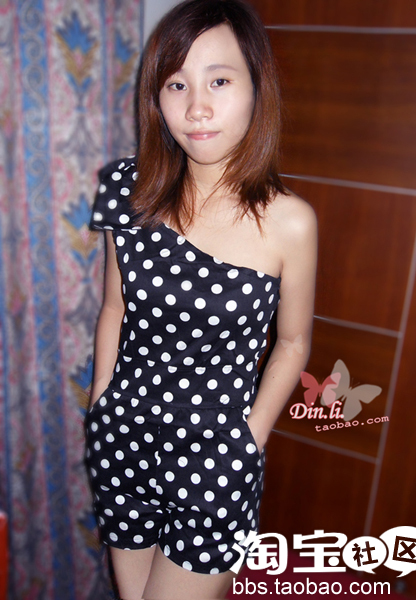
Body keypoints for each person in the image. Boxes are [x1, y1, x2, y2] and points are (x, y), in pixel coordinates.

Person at [85, 0, 317, 598]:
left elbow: (293, 342)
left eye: (219, 80)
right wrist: (102, 402)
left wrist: (249, 441)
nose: (196, 107)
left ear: (256, 87)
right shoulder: (128, 189)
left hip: (216, 461)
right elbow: (114, 308)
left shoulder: (289, 221)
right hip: (122, 439)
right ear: (156, 97)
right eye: (176, 84)